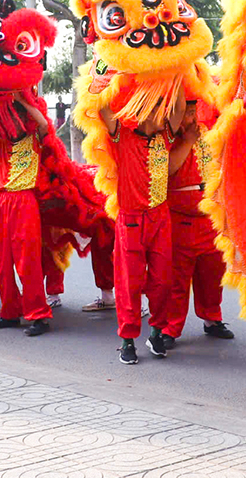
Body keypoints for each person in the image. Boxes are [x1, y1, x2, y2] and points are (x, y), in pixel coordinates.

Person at [100, 89, 197, 365]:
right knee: (129, 283)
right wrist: (108, 68)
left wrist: (176, 67)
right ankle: (127, 339)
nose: (165, 114)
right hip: (130, 220)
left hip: (160, 217)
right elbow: (103, 106)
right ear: (143, 111)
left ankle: (156, 332)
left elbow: (178, 106)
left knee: (162, 280)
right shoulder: (123, 135)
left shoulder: (165, 137)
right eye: (158, 109)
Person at [162, 101, 232, 349]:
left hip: (210, 217)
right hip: (179, 218)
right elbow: (168, 168)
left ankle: (212, 318)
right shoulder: (166, 135)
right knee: (177, 278)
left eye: (192, 112)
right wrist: (188, 141)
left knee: (212, 273)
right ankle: (171, 328)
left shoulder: (206, 131)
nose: (190, 118)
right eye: (184, 112)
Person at [0, 91, 55, 337]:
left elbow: (45, 124)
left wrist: (23, 100)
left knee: (28, 262)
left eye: (15, 117)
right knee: (3, 262)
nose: (11, 123)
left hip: (24, 200)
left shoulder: (35, 136)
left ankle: (38, 314)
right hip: (1, 200)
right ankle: (9, 312)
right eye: (8, 118)